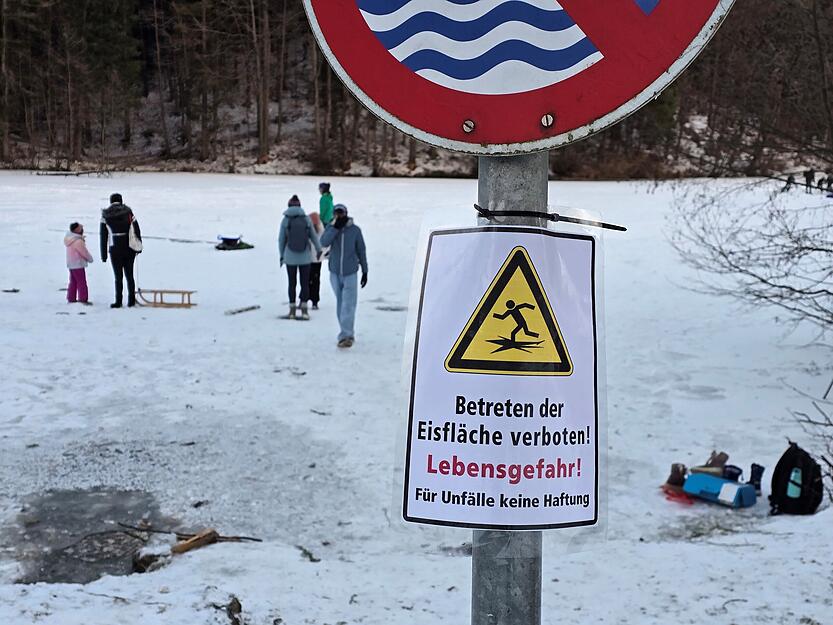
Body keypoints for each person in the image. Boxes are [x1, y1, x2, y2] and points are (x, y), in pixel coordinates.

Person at [320, 203, 368, 348]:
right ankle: (346, 332)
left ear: (346, 213)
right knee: (341, 303)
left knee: (348, 304)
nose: (339, 216)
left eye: (341, 213)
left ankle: (346, 335)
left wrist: (365, 270)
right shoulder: (331, 228)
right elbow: (323, 242)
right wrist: (334, 228)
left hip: (350, 272)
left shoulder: (355, 230)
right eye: (336, 213)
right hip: (334, 272)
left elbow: (361, 250)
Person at [278, 195, 322, 320]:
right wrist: (319, 249)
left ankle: (292, 310)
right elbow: (313, 236)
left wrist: (282, 255)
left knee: (292, 283)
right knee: (305, 284)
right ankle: (304, 310)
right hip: (305, 257)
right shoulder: (306, 219)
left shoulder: (285, 220)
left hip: (290, 257)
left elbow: (281, 240)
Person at [100, 193, 142, 308]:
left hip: (114, 249)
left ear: (110, 201)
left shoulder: (105, 215)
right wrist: (139, 246)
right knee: (130, 275)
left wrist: (104, 255)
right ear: (121, 201)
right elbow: (137, 229)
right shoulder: (128, 213)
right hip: (129, 247)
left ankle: (118, 301)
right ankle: (131, 301)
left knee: (118, 277)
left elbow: (103, 236)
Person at [64, 222, 94, 305]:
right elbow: (84, 252)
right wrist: (90, 259)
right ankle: (83, 298)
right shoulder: (78, 241)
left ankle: (71, 297)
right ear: (76, 229)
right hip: (78, 264)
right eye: (81, 228)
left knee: (73, 281)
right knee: (81, 282)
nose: (82, 229)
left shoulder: (70, 239)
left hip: (71, 263)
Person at [308, 212, 325, 310]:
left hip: (308, 258)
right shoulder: (321, 228)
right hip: (318, 259)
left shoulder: (308, 228)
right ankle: (315, 301)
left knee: (307, 280)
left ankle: (307, 299)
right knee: (316, 279)